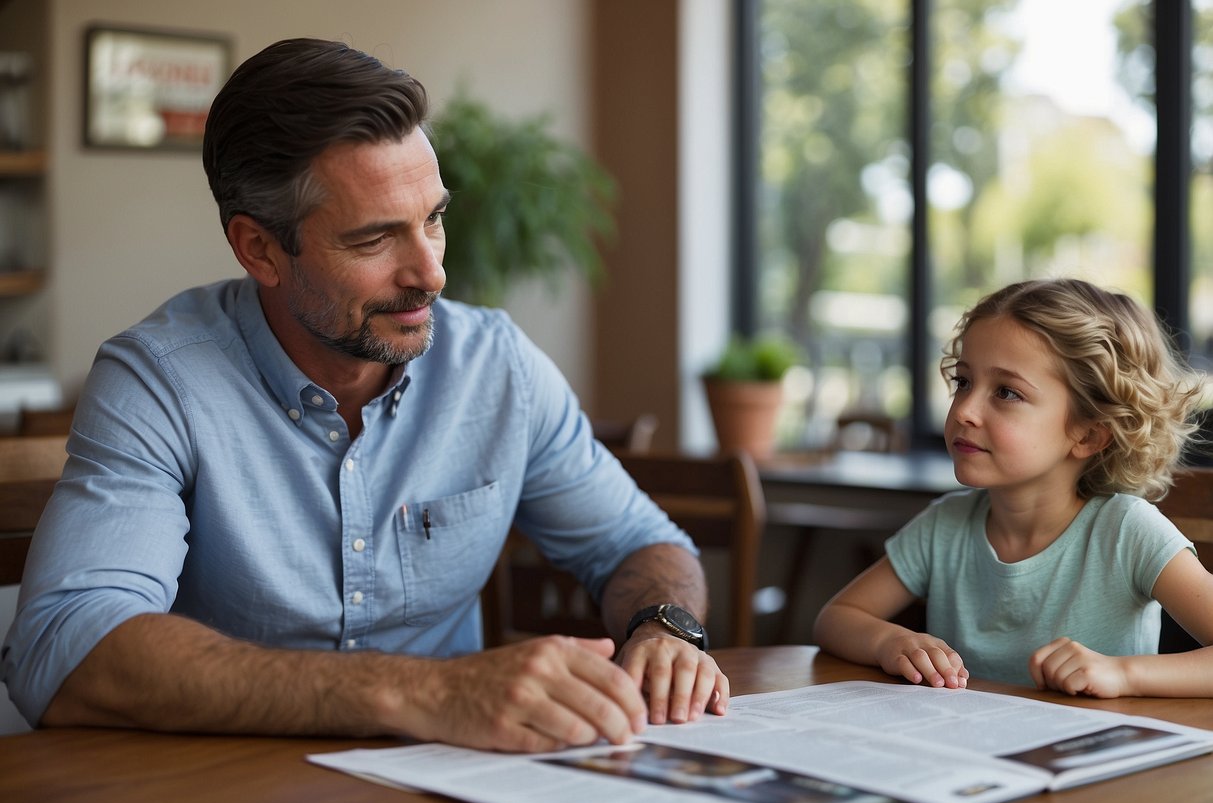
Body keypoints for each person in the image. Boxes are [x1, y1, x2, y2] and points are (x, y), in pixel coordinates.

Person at [1, 38, 728, 750]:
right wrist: (429, 693)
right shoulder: (159, 381)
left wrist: (665, 627)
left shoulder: (495, 365)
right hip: (227, 795)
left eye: (433, 219)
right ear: (259, 249)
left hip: (456, 788)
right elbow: (65, 651)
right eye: (374, 239)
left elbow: (641, 543)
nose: (431, 274)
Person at [813, 277, 1213, 697]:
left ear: (1089, 435)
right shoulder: (945, 525)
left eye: (1006, 392)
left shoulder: (1127, 531)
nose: (964, 410)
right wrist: (888, 641)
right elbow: (837, 616)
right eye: (963, 382)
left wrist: (1124, 674)